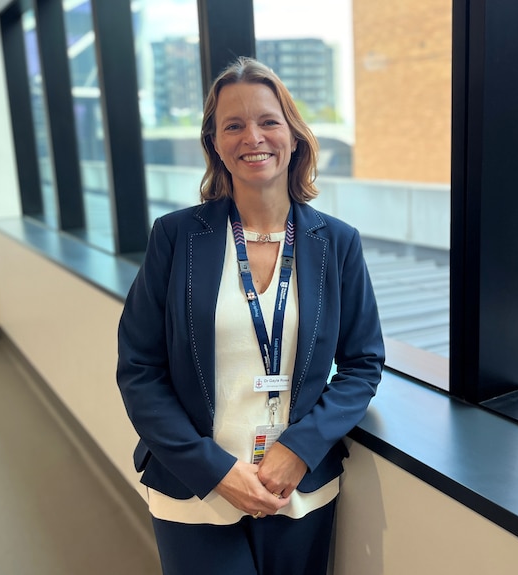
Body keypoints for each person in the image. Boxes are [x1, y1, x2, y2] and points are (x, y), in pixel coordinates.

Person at [116, 56, 385, 575]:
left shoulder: (336, 243)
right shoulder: (175, 238)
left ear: (294, 135)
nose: (252, 137)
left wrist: (300, 450)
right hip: (196, 490)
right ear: (215, 143)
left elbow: (363, 364)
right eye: (233, 125)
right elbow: (139, 370)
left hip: (298, 490)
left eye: (267, 121)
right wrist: (216, 470)